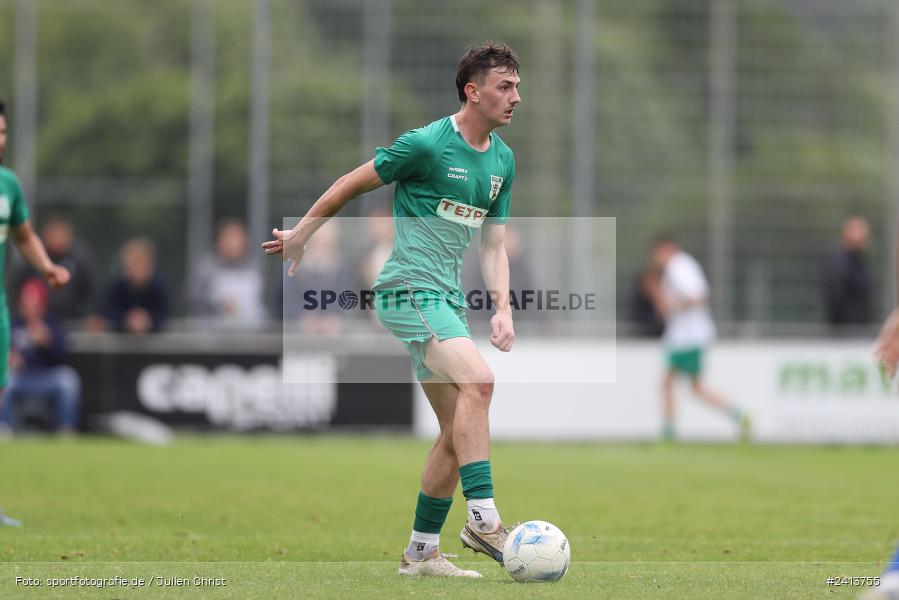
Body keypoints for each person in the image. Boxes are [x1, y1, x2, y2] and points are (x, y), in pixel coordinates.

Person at [263, 42, 520, 578]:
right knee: (481, 384)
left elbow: (493, 246)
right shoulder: (428, 144)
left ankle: (421, 553)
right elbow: (350, 184)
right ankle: (484, 518)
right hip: (407, 290)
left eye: (517, 86)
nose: (516, 97)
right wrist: (301, 235)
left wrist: (502, 309)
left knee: (456, 432)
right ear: (473, 92)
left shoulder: (503, 159)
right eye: (505, 87)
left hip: (445, 298)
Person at [0, 99, 72, 526]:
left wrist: (45, 266)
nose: (0, 142)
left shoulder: (8, 186)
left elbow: (24, 235)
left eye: (4, 134)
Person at [649, 234, 749, 442]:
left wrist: (671, 306)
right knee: (694, 387)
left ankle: (669, 431)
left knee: (670, 383)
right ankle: (739, 415)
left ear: (665, 248)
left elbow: (699, 296)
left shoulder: (678, 267)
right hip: (686, 336)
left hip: (687, 337)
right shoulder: (682, 266)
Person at [0, 278, 80, 435]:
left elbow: (64, 356)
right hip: (22, 378)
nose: (30, 309)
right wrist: (11, 359)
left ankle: (65, 429)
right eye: (26, 304)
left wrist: (48, 341)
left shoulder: (52, 324)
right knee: (5, 381)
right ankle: (4, 426)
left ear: (42, 306)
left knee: (68, 379)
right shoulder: (13, 324)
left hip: (46, 377)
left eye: (34, 305)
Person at [11, 215, 97, 323]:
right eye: (53, 233)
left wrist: (91, 314)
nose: (56, 237)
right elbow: (19, 290)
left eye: (59, 232)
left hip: (70, 322)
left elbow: (90, 291)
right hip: (37, 323)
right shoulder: (34, 258)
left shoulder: (80, 259)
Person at [189, 220, 267, 329]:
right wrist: (218, 305)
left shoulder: (254, 268)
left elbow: (262, 303)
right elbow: (194, 298)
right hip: (213, 335)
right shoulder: (207, 267)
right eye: (230, 239)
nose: (234, 244)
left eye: (238, 239)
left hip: (249, 336)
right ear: (220, 242)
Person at [103, 237, 169, 334]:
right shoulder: (116, 287)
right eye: (135, 263)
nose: (139, 269)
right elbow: (108, 312)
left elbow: (164, 315)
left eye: (143, 263)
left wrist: (149, 321)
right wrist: (126, 320)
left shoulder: (159, 287)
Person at [823, 216, 872, 329]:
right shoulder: (839, 262)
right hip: (845, 331)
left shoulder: (859, 260)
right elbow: (836, 299)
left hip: (857, 330)